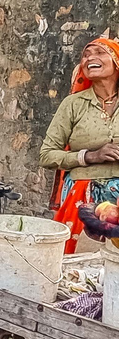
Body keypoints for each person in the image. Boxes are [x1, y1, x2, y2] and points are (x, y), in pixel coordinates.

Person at [41, 37, 119, 252]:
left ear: (116, 62)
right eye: (86, 55)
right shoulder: (73, 104)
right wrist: (90, 156)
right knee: (80, 268)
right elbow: (46, 155)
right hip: (82, 199)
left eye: (99, 53)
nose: (90, 58)